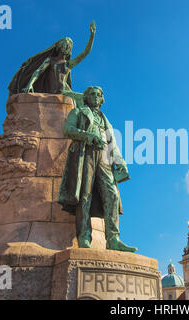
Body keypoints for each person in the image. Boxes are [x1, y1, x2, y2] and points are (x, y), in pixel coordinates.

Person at [58, 86, 137, 253]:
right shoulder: (79, 112)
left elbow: (112, 143)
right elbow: (67, 130)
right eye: (92, 94)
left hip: (104, 157)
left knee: (112, 195)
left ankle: (113, 239)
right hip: (85, 152)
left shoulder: (105, 119)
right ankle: (84, 236)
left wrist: (120, 161)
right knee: (85, 195)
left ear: (101, 99)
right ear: (86, 97)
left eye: (98, 95)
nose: (95, 97)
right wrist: (88, 136)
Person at [7, 21, 96, 96]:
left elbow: (85, 53)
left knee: (86, 99)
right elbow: (38, 72)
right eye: (65, 44)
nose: (67, 46)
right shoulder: (50, 60)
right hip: (52, 92)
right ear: (59, 47)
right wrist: (30, 84)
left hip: (65, 93)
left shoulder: (68, 64)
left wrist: (92, 36)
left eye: (69, 46)